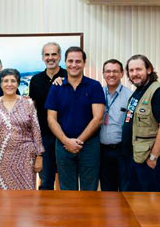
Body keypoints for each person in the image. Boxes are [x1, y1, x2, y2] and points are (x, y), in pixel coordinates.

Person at [45, 46, 105, 191]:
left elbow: (98, 118)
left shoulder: (94, 86)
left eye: (78, 61)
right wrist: (66, 141)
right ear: (65, 62)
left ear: (84, 63)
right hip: (63, 145)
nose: (74, 65)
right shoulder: (56, 87)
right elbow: (51, 119)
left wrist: (79, 141)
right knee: (66, 191)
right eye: (70, 61)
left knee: (89, 190)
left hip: (89, 146)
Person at [0, 69, 44, 190]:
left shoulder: (28, 103)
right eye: (5, 81)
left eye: (13, 81)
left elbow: (36, 130)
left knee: (25, 197)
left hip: (25, 158)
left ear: (18, 83)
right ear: (0, 84)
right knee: (0, 198)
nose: (9, 84)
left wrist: (39, 156)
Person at [122, 54, 160, 192]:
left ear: (148, 69)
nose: (134, 74)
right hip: (135, 159)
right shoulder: (138, 92)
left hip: (148, 161)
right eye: (131, 71)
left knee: (150, 207)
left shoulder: (158, 92)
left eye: (138, 69)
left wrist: (153, 158)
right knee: (134, 206)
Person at [29, 42, 67, 190]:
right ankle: (46, 211)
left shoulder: (69, 77)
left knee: (65, 177)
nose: (50, 58)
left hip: (65, 135)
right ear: (43, 57)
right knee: (46, 179)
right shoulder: (36, 80)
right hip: (43, 135)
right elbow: (33, 109)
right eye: (47, 54)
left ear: (59, 56)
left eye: (53, 54)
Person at [99, 59, 133, 191]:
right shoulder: (97, 93)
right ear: (103, 74)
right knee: (107, 192)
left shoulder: (130, 96)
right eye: (108, 71)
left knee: (126, 190)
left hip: (123, 151)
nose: (111, 74)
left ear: (122, 74)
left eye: (115, 71)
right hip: (102, 151)